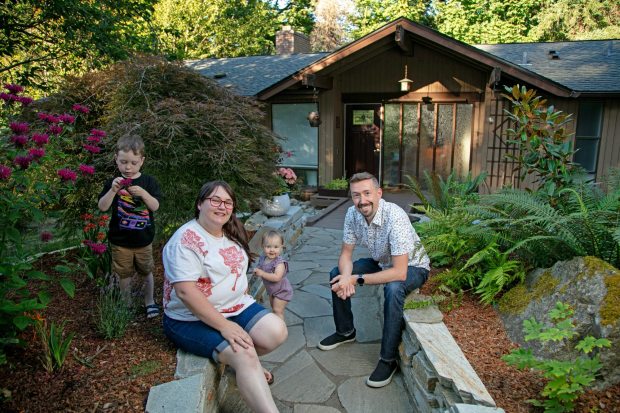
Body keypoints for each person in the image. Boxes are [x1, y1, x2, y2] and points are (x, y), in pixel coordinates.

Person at [162, 181, 287, 413]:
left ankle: (244, 367)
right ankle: (250, 371)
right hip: (189, 319)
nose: (222, 206)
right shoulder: (185, 241)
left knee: (276, 331)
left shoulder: (228, 233)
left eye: (228, 202)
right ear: (200, 204)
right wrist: (225, 327)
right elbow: (185, 292)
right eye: (215, 200)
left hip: (235, 307)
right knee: (244, 352)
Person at [318, 172, 430, 388]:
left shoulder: (395, 216)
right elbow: (345, 255)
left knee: (394, 288)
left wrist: (355, 279)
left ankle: (388, 360)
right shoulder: (352, 214)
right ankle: (345, 331)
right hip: (382, 262)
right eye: (356, 195)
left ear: (379, 193)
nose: (362, 200)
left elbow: (399, 273)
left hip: (413, 267)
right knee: (336, 274)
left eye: (367, 193)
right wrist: (345, 277)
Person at [98, 135, 162, 318]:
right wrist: (112, 190)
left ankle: (149, 301)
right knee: (123, 275)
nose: (128, 167)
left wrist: (143, 193)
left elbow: (155, 206)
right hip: (120, 242)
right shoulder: (113, 183)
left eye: (133, 163)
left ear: (141, 161)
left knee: (147, 271)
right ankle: (126, 303)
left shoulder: (148, 182)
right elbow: (102, 207)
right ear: (116, 159)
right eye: (123, 162)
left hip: (144, 240)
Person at [253, 230, 293, 320]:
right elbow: (260, 266)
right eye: (268, 246)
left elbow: (277, 277)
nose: (272, 250)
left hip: (282, 291)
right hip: (272, 291)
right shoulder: (263, 258)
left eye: (276, 247)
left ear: (281, 247)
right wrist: (257, 271)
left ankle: (280, 330)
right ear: (263, 247)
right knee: (274, 308)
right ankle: (277, 324)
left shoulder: (279, 263)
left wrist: (262, 273)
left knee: (277, 310)